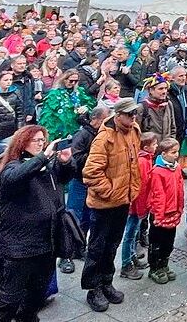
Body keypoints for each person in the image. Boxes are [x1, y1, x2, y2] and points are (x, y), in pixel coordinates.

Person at [0, 125, 73, 322]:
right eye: (36, 140)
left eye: (43, 140)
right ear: (22, 142)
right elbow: (15, 177)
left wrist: (66, 162)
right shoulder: (12, 166)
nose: (41, 144)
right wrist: (43, 157)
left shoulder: (46, 166)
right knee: (9, 299)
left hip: (46, 243)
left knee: (37, 295)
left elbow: (66, 177)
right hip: (20, 247)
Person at [81, 97, 142, 311]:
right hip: (104, 203)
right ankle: (93, 288)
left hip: (123, 200)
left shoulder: (134, 130)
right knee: (97, 247)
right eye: (129, 114)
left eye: (135, 113)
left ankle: (107, 282)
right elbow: (90, 173)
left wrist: (132, 189)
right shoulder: (103, 138)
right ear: (118, 115)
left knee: (112, 245)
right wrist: (110, 192)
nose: (134, 117)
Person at [62, 104, 112, 274]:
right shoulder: (83, 134)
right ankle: (65, 255)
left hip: (93, 182)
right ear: (96, 119)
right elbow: (75, 159)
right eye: (105, 118)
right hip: (79, 181)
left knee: (87, 217)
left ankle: (79, 245)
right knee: (72, 216)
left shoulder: (102, 134)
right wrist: (95, 155)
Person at [119, 132, 158, 281]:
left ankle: (132, 257)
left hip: (139, 205)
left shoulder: (147, 159)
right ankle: (125, 264)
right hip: (136, 205)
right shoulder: (143, 162)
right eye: (154, 145)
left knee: (134, 233)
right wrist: (142, 209)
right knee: (130, 234)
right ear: (147, 147)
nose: (156, 147)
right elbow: (140, 188)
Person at [146, 137, 185, 284]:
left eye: (177, 152)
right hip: (160, 214)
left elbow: (180, 188)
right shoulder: (157, 171)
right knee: (156, 242)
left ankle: (164, 264)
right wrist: (158, 215)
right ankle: (154, 268)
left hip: (173, 210)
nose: (176, 155)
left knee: (169, 242)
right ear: (163, 154)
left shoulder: (177, 168)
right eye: (173, 152)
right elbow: (157, 195)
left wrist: (180, 207)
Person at [40, 69, 96, 143]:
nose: (73, 83)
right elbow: (47, 117)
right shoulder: (54, 94)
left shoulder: (79, 92)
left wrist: (86, 107)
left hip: (76, 128)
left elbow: (91, 103)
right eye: (71, 81)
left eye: (76, 81)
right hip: (59, 130)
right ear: (64, 79)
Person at [0, 70, 25, 141]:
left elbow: (20, 114)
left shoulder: (16, 93)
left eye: (10, 80)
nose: (8, 82)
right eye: (5, 80)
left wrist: (19, 130)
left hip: (11, 129)